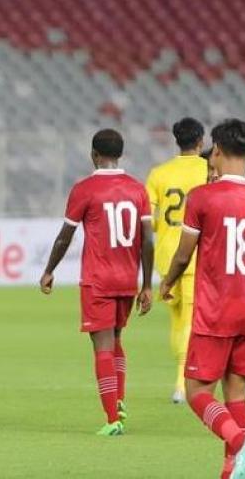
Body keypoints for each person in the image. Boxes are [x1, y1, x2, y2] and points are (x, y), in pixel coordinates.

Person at [160, 119, 245, 478]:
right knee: (236, 395)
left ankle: (240, 441)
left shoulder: (204, 197)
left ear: (216, 151)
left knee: (196, 393)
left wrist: (168, 282)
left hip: (216, 311)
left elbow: (183, 253)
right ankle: (234, 473)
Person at [39, 129, 154, 436]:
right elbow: (147, 241)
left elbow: (66, 235)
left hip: (98, 280)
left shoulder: (85, 189)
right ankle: (120, 401)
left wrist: (49, 269)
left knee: (102, 346)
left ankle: (112, 417)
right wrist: (146, 284)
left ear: (93, 154)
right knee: (116, 340)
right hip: (127, 279)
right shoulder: (137, 189)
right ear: (121, 154)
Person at [145, 117, 208, 403]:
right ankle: (183, 383)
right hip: (197, 255)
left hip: (167, 255)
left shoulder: (159, 174)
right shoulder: (209, 170)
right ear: (201, 141)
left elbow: (151, 220)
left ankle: (181, 378)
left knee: (176, 319)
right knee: (192, 320)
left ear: (177, 141)